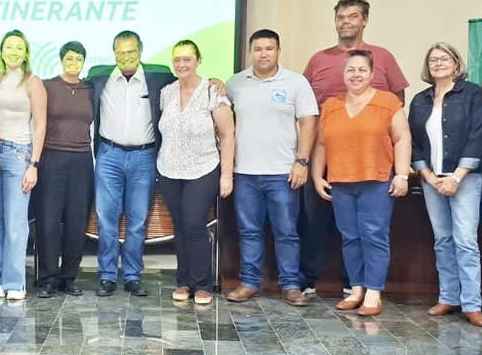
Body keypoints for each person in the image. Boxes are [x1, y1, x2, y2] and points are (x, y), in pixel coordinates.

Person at [300, 0, 409, 296]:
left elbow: (398, 105)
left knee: (371, 230)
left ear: (365, 20)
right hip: (327, 156)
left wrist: (400, 170)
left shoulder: (383, 57)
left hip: (372, 161)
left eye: (353, 16)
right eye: (341, 17)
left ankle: (358, 286)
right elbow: (305, 104)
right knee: (319, 221)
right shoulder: (318, 60)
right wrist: (312, 166)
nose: (346, 22)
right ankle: (309, 280)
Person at [310, 50, 412, 318]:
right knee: (350, 238)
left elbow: (402, 139)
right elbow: (321, 144)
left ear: (372, 74)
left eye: (362, 70)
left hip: (376, 180)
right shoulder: (330, 106)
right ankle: (356, 290)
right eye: (351, 70)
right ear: (343, 74)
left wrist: (402, 174)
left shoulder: (388, 102)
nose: (356, 75)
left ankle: (373, 293)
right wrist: (317, 176)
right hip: (341, 182)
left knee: (374, 236)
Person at [224, 29, 317, 305]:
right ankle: (249, 283)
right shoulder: (235, 83)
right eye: (258, 49)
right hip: (245, 172)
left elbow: (308, 123)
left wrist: (302, 161)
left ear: (278, 51)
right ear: (250, 52)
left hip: (283, 173)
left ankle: (291, 285)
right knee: (248, 231)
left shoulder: (296, 82)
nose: (263, 54)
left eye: (269, 48)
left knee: (286, 231)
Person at [408, 42, 482, 326]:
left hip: (465, 178)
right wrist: (428, 176)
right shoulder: (420, 99)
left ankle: (472, 304)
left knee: (465, 240)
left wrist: (456, 176)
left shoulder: (473, 94)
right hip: (432, 180)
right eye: (433, 60)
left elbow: (478, 136)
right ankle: (448, 297)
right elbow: (414, 143)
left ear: (456, 64)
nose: (439, 63)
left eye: (445, 58)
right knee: (442, 239)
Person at [90, 30, 175, 296]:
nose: (126, 57)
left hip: (143, 158)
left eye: (131, 52)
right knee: (106, 220)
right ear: (113, 53)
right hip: (109, 156)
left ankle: (132, 275)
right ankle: (106, 276)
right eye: (120, 52)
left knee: (138, 220)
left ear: (141, 50)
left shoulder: (159, 77)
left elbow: (188, 82)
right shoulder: (98, 77)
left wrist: (216, 81)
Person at [157, 40, 234, 305]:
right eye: (177, 59)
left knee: (194, 225)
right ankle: (183, 282)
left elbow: (227, 135)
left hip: (203, 169)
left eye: (187, 59)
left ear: (198, 60)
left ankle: (202, 285)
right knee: (179, 227)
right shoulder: (166, 92)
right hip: (169, 169)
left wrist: (227, 175)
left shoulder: (213, 91)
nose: (182, 64)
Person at [0, 30, 47, 300]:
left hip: (19, 154)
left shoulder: (33, 82)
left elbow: (40, 126)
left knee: (15, 223)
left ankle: (15, 283)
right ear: (1, 51)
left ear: (26, 54)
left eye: (19, 48)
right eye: (9, 47)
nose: (13, 52)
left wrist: (34, 164)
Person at [35, 41, 94, 297]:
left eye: (79, 59)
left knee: (76, 222)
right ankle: (48, 277)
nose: (74, 63)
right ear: (61, 60)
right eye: (69, 58)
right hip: (51, 158)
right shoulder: (47, 86)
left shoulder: (90, 88)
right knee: (48, 221)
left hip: (82, 161)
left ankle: (69, 277)